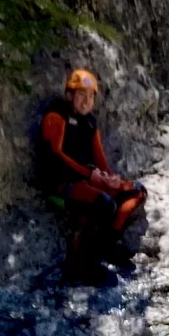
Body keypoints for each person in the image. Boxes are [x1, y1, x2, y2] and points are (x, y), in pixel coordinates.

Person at [37, 67, 146, 281]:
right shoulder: (56, 116)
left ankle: (106, 246)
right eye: (81, 95)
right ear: (69, 96)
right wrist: (90, 176)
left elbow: (99, 158)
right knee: (103, 203)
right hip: (59, 182)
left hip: (85, 177)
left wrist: (111, 178)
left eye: (90, 97)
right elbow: (56, 157)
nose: (86, 101)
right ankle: (79, 263)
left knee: (137, 193)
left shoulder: (89, 122)